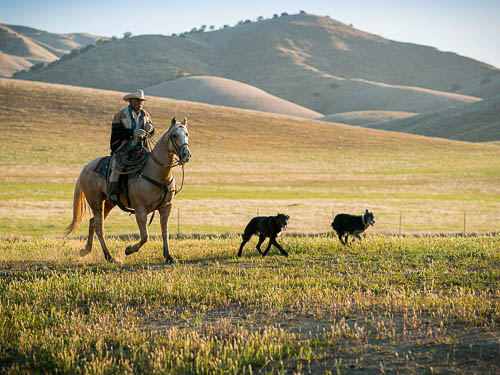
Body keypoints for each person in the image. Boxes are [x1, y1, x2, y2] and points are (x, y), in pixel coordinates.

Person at [107, 89, 155, 203]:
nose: (140, 103)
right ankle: (113, 191)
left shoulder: (146, 115)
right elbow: (116, 133)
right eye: (137, 100)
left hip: (142, 147)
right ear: (131, 101)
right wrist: (132, 133)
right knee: (117, 164)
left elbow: (151, 131)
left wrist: (151, 129)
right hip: (124, 147)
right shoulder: (120, 115)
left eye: (141, 101)